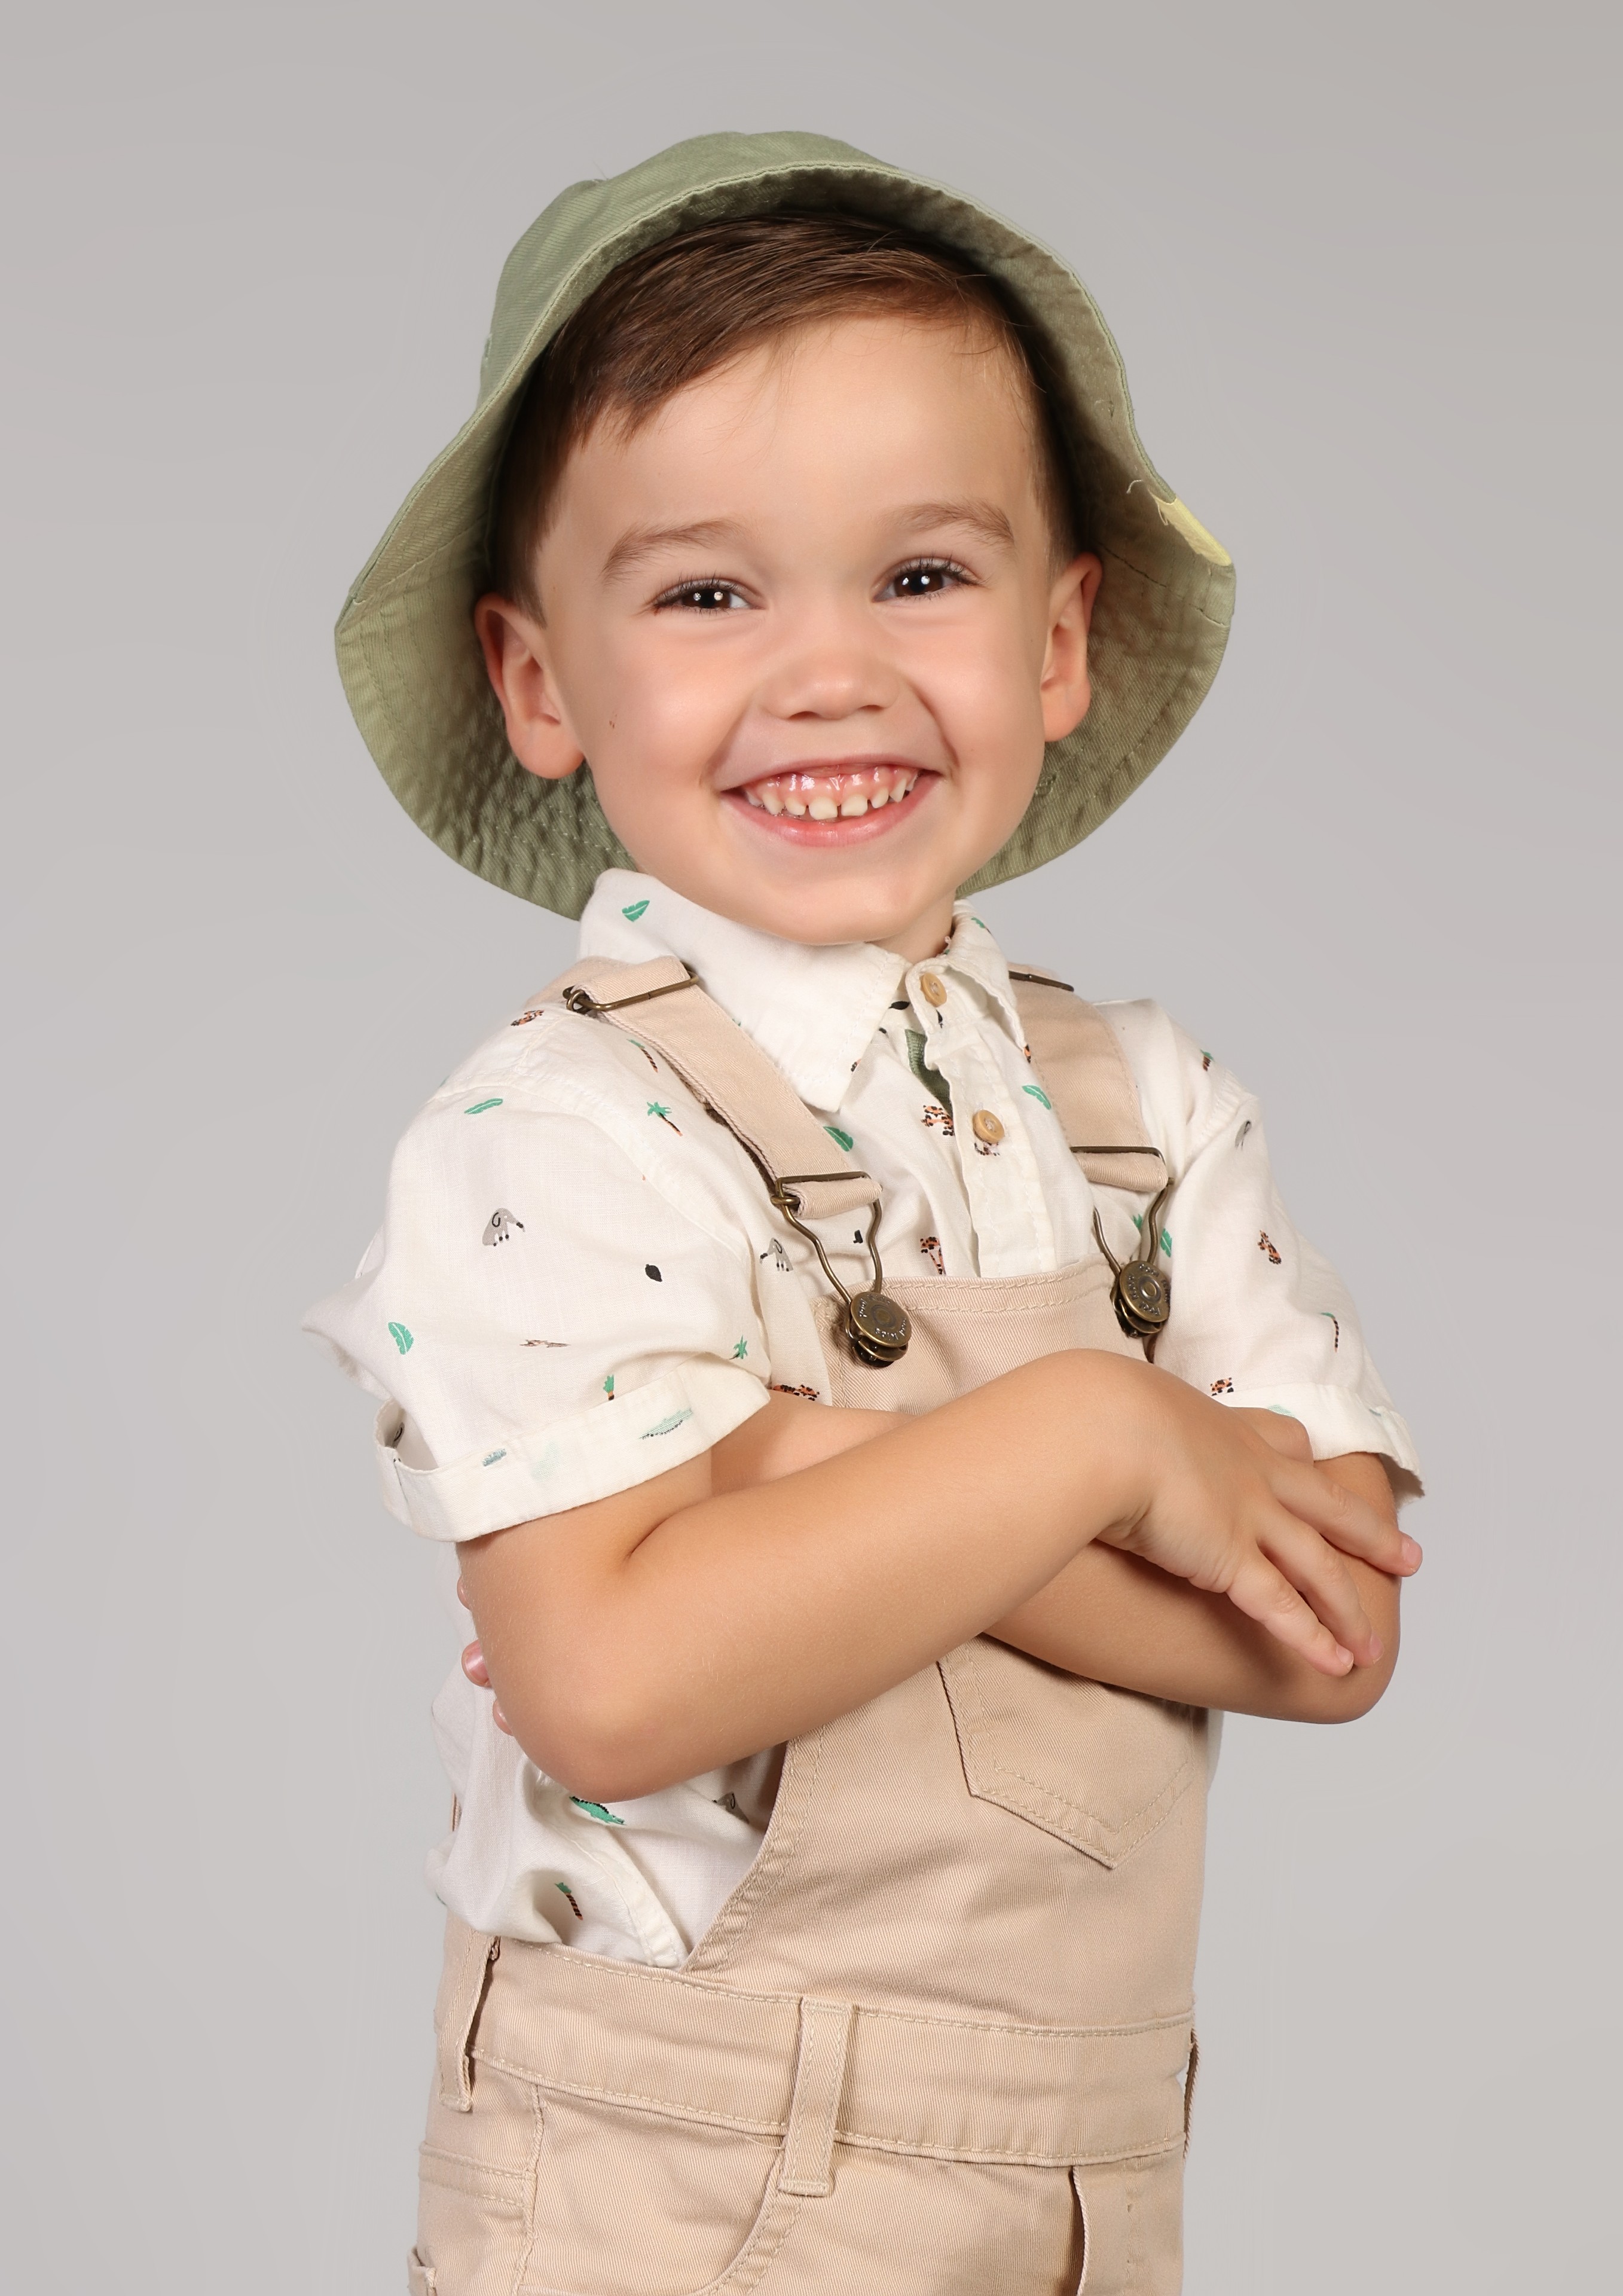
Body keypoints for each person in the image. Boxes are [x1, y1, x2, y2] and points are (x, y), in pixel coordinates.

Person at [304, 130, 1422, 2296]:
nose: (827, 672)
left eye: (919, 576)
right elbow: (616, 1683)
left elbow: (1332, 1624)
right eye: (706, 595)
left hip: (1075, 2177)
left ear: (1060, 636)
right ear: (537, 681)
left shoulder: (1144, 1109)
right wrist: (1101, 1442)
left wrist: (785, 1465)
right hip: (673, 2179)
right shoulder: (562, 1130)